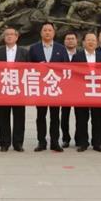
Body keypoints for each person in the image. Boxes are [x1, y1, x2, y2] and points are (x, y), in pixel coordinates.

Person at [28, 22, 66, 152]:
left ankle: (55, 142)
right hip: (40, 88)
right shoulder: (34, 48)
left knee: (55, 116)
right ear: (41, 33)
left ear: (54, 33)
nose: (47, 32)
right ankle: (41, 142)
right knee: (41, 116)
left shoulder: (61, 48)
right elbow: (28, 67)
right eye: (45, 30)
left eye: (50, 30)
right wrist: (38, 66)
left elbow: (66, 67)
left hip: (55, 88)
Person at [0, 26, 29, 152]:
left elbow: (29, 71)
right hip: (3, 88)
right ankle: (4, 143)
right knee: (3, 117)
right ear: (4, 37)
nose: (9, 36)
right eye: (7, 34)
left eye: (11, 34)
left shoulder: (24, 52)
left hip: (19, 89)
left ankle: (18, 143)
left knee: (19, 117)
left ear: (16, 37)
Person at [71, 31, 101, 152]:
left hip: (97, 92)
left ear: (96, 43)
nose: (91, 42)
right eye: (88, 40)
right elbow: (73, 74)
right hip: (81, 92)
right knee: (81, 119)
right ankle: (83, 143)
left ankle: (97, 143)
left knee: (98, 119)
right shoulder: (77, 57)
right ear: (83, 42)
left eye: (93, 40)